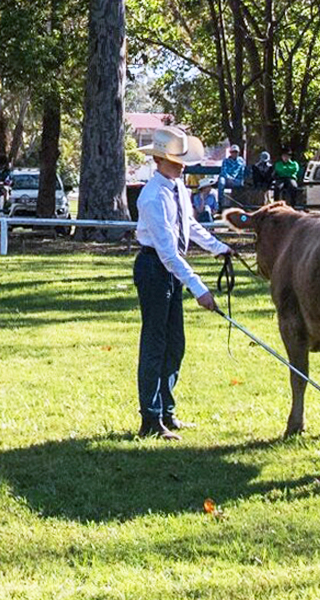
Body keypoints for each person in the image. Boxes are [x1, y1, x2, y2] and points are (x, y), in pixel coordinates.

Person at [133, 126, 231, 440]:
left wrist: (219, 248)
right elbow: (166, 252)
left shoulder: (177, 190)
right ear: (159, 160)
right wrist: (199, 288)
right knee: (155, 344)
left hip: (170, 269)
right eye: (176, 160)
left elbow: (189, 226)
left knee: (175, 344)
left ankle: (167, 411)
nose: (181, 165)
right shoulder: (152, 196)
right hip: (154, 268)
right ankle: (151, 419)